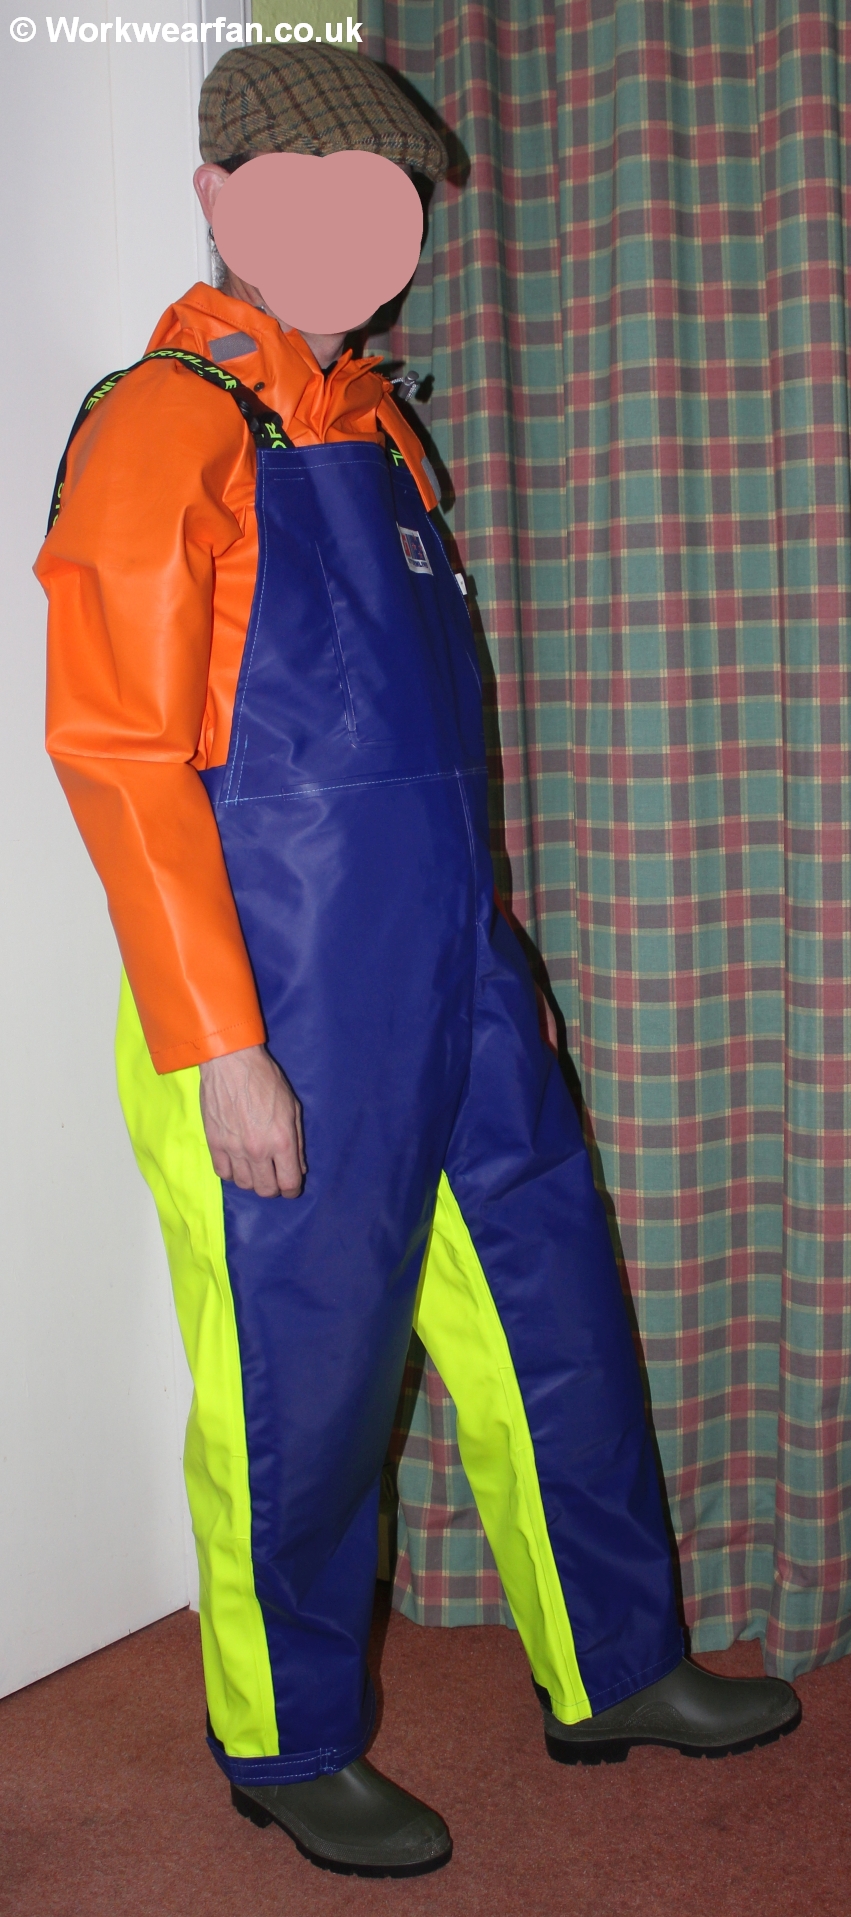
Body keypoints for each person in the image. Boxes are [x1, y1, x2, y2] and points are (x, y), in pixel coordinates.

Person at [35, 44, 800, 1882]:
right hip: (274, 1002)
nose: (353, 233)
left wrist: (492, 962)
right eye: (307, 194)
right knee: (299, 1384)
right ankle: (286, 1739)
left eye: (380, 201)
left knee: (555, 1314)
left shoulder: (382, 434)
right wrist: (220, 1038)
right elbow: (119, 754)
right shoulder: (161, 425)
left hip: (456, 971)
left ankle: (615, 1662)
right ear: (218, 197)